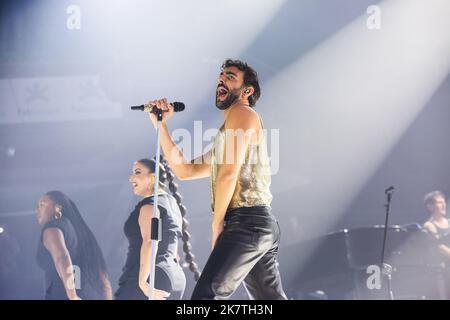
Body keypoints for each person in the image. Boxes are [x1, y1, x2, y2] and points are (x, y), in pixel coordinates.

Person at [148, 59, 287, 299]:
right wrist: (161, 126)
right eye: (221, 76)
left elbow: (228, 174)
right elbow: (186, 170)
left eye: (230, 77)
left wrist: (217, 224)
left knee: (206, 296)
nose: (221, 80)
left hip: (247, 222)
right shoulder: (229, 133)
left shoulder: (242, 112)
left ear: (247, 91)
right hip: (258, 224)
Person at [114, 157, 200, 300]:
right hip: (174, 277)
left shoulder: (150, 206)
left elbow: (151, 242)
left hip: (151, 277)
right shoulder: (172, 203)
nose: (131, 178)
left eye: (137, 172)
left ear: (153, 178)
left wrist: (142, 283)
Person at [35, 191, 112, 300]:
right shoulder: (80, 233)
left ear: (57, 208)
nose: (37, 210)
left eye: (42, 205)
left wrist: (72, 296)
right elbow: (102, 274)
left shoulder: (52, 229)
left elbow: (62, 257)